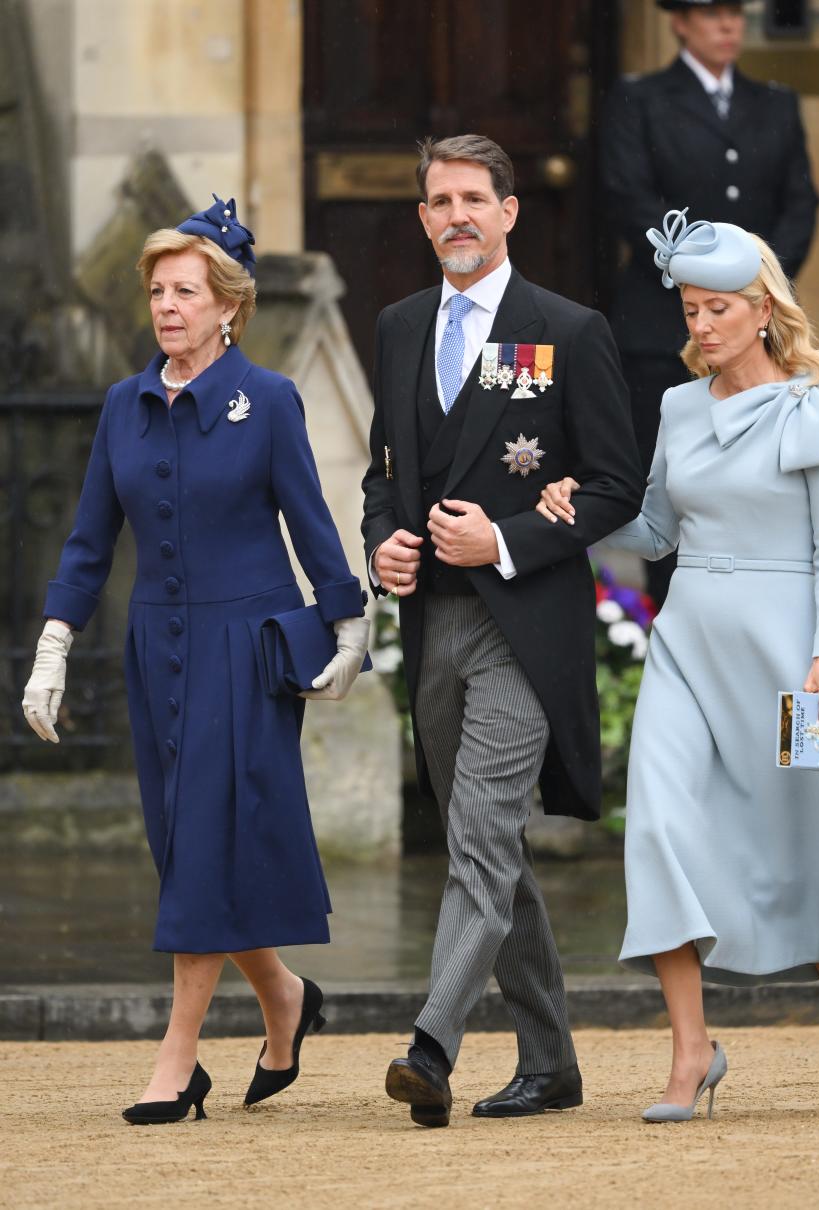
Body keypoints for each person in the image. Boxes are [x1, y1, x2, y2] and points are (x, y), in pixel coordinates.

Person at [536, 209, 819, 1120]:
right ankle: (690, 1048)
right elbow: (657, 529)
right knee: (657, 824)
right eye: (690, 309)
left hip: (786, 649)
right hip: (689, 636)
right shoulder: (675, 406)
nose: (697, 326)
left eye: (715, 309)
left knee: (810, 828)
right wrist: (578, 510)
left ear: (763, 311)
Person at [21, 196, 370, 1124]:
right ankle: (285, 997)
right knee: (187, 844)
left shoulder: (271, 402)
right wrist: (53, 646)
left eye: (186, 291)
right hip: (156, 648)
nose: (167, 306)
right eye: (157, 291)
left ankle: (178, 1061)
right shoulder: (122, 406)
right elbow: (90, 541)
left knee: (206, 842)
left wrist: (350, 627)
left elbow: (312, 522)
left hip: (244, 646)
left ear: (228, 306)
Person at [361, 134, 642, 1128]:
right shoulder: (397, 327)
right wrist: (385, 541)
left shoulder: (567, 328)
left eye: (474, 197)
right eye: (439, 200)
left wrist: (507, 539)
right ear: (424, 217)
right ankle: (552, 1062)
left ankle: (430, 1045)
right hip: (433, 629)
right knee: (486, 849)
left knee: (480, 838)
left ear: (511, 211)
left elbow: (615, 484)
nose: (456, 216)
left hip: (529, 627)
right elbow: (384, 475)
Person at [600, 0, 819, 608]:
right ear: (679, 22)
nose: (729, 26)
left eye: (735, 14)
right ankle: (675, 632)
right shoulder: (640, 99)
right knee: (674, 490)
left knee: (763, 488)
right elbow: (630, 200)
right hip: (660, 331)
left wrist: (755, 290)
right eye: (711, 13)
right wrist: (711, 289)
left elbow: (800, 205)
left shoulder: (775, 103)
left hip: (760, 333)